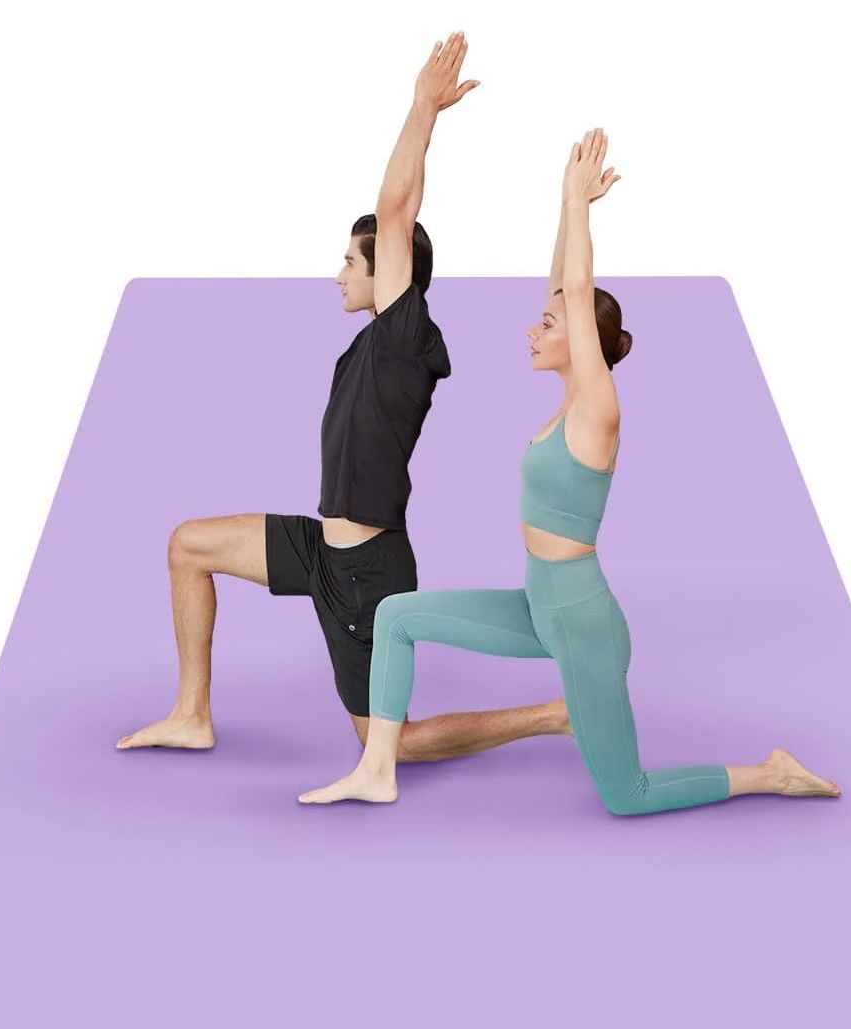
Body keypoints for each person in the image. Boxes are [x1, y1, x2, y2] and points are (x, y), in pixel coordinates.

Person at [298, 127, 842, 811]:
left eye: (549, 325)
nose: (535, 328)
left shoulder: (598, 413)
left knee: (626, 793)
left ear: (584, 343)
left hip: (583, 625)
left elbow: (576, 293)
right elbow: (564, 284)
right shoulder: (567, 406)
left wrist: (577, 203)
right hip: (538, 607)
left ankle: (771, 774)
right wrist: (564, 213)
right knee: (399, 616)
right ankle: (378, 768)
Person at [116, 32, 572, 759]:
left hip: (365, 576)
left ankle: (553, 714)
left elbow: (394, 209)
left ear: (386, 273)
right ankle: (191, 713)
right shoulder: (367, 344)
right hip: (321, 549)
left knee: (390, 746)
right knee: (187, 545)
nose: (338, 274)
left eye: (349, 261)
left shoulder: (402, 337)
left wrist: (423, 108)